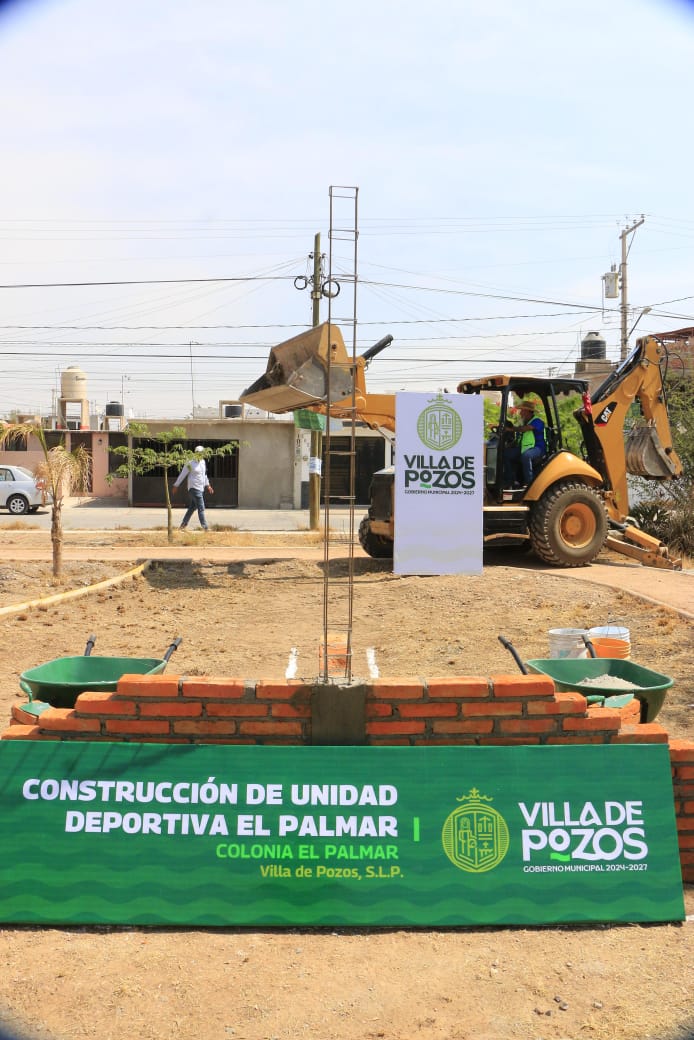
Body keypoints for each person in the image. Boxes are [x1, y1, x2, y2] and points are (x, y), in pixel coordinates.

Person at [502, 401, 546, 487]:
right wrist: (510, 445)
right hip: (525, 447)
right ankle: (510, 480)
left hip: (538, 448)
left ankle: (529, 483)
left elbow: (524, 429)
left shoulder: (537, 421)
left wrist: (510, 429)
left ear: (528, 411)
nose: (520, 413)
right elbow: (520, 438)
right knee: (506, 454)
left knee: (526, 456)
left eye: (522, 410)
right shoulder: (526, 422)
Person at [172, 446, 213, 530]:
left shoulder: (203, 462)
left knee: (192, 507)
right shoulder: (190, 462)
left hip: (201, 488)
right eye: (198, 453)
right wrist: (176, 485)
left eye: (201, 453)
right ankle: (205, 527)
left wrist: (208, 485)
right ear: (195, 453)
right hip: (193, 487)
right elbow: (183, 474)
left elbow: (204, 475)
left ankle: (183, 525)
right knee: (201, 507)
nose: (200, 455)